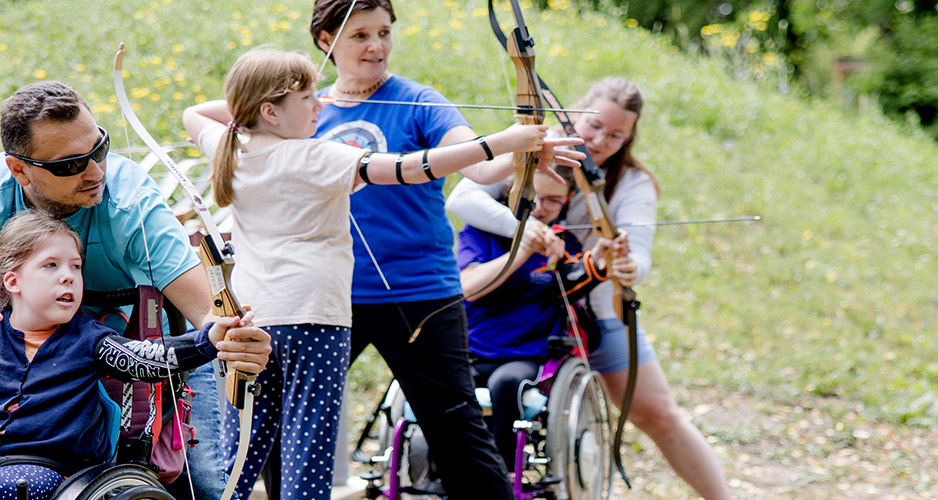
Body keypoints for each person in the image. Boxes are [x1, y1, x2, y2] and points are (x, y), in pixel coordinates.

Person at [181, 48, 573, 499]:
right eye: (308, 97)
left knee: (240, 457)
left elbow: (197, 112)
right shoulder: (318, 156)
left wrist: (254, 111)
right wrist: (502, 141)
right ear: (270, 110)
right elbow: (414, 167)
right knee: (306, 457)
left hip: (250, 320)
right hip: (314, 322)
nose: (321, 104)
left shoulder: (229, 146)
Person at [0, 81, 232, 498]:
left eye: (99, 149)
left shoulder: (130, 202)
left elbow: (210, 320)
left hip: (134, 334)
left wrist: (225, 338)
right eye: (70, 165)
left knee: (205, 481)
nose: (96, 172)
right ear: (19, 170)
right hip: (11, 335)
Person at [304, 0, 579, 496]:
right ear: (326, 41)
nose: (377, 46)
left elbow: (480, 166)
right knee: (293, 419)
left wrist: (521, 148)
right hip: (327, 295)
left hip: (418, 293)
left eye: (384, 32)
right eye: (360, 35)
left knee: (455, 432)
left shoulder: (418, 100)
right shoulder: (309, 110)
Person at [446, 77, 734, 499]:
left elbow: (638, 250)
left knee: (659, 415)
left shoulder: (631, 183)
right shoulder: (537, 150)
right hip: (510, 315)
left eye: (617, 135)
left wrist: (626, 265)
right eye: (594, 126)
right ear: (576, 112)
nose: (600, 141)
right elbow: (463, 199)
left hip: (594, 315)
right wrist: (529, 230)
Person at [0, 211, 271, 500]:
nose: (68, 276)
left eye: (76, 267)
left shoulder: (89, 339)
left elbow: (146, 358)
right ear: (12, 280)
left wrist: (208, 339)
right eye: (50, 265)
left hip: (45, 466)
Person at [457, 166, 628, 474]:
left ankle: (502, 474)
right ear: (511, 192)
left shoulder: (563, 242)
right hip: (472, 350)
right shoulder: (478, 232)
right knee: (449, 391)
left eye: (552, 200)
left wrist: (600, 261)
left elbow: (571, 281)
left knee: (506, 383)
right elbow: (468, 287)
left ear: (567, 201)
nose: (539, 208)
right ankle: (449, 469)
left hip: (522, 355)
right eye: (531, 197)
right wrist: (522, 250)